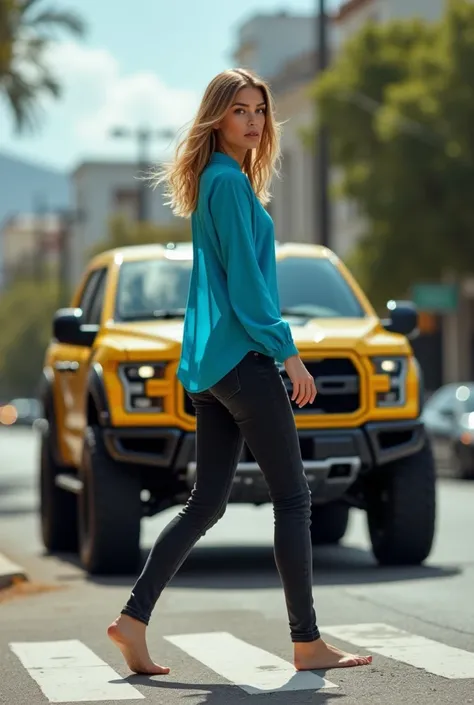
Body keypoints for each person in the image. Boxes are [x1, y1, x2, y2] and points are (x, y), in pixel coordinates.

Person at [107, 68, 372, 675]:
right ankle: (307, 643)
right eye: (239, 111)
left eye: (259, 109)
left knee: (206, 504)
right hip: (242, 361)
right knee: (295, 499)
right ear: (216, 119)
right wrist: (289, 353)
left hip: (212, 367)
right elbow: (249, 290)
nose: (252, 120)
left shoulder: (221, 181)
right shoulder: (226, 184)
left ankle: (131, 621)